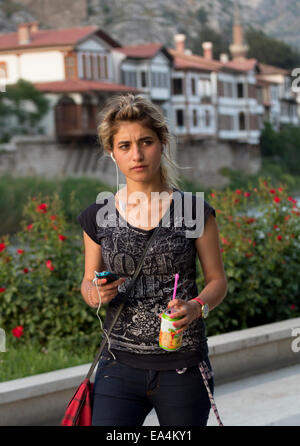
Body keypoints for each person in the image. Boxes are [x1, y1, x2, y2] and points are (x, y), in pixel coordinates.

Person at [77, 93, 228, 426]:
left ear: (162, 143)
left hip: (182, 367)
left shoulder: (194, 210)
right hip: (118, 366)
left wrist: (197, 305)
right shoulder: (98, 215)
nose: (137, 154)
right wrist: (96, 293)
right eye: (125, 146)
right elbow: (87, 284)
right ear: (111, 152)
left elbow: (218, 281)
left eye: (146, 142)